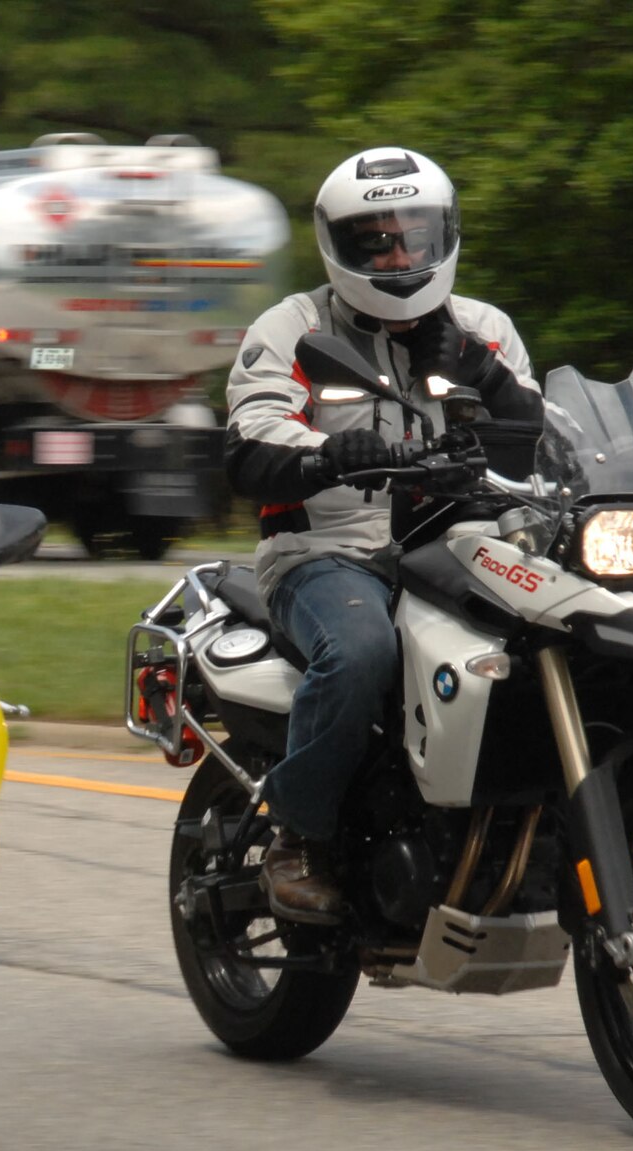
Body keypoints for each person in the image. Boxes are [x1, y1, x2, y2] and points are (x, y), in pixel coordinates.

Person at [224, 147, 544, 925]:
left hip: (466, 548)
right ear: (341, 246)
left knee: (560, 640)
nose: (401, 255)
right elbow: (248, 444)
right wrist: (328, 453)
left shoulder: (483, 330)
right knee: (364, 648)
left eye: (416, 237)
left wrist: (483, 374)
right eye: (379, 241)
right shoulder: (293, 329)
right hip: (328, 555)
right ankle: (295, 834)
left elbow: (540, 443)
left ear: (445, 237)